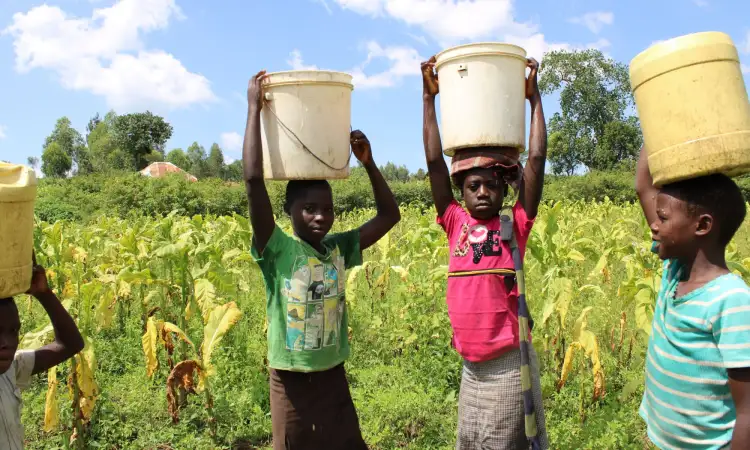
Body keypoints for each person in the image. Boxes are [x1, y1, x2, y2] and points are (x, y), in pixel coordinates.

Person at [243, 70, 401, 450]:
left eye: (327, 209)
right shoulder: (277, 248)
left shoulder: (339, 248)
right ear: (289, 210)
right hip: (290, 378)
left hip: (332, 374)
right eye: (309, 209)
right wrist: (252, 109)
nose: (320, 217)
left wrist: (369, 163)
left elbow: (389, 216)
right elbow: (252, 181)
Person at [421, 56, 549, 450]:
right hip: (470, 369)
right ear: (461, 192)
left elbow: (537, 160)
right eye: (473, 185)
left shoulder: (514, 225)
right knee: (471, 442)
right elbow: (433, 163)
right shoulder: (455, 223)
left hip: (507, 366)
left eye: (491, 185)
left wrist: (535, 100)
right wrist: (428, 100)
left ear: (503, 189)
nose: (482, 192)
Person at [635, 146, 750, 450]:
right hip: (661, 441)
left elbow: (747, 409)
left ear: (702, 226)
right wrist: (659, 120)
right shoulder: (676, 269)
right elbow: (643, 185)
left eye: (662, 217)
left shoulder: (732, 301)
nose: (653, 225)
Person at [0, 257, 85, 450]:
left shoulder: (11, 369)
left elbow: (70, 343)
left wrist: (44, 293)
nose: (6, 343)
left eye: (13, 331)